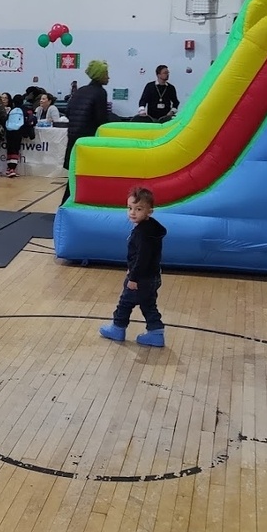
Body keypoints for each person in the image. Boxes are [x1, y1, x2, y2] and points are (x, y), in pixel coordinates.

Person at [99, 186, 168, 347]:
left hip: (141, 278)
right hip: (152, 276)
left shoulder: (143, 233)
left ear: (149, 211)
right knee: (148, 304)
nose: (132, 212)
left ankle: (118, 328)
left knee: (125, 303)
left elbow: (142, 257)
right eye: (130, 208)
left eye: (138, 209)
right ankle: (156, 333)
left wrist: (134, 277)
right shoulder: (151, 228)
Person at [61, 60, 111, 203]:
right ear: (99, 75)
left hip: (73, 140)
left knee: (74, 177)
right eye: (106, 74)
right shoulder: (100, 93)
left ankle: (65, 205)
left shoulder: (81, 91)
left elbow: (68, 112)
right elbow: (101, 120)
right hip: (89, 140)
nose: (108, 77)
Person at [4, 94, 28, 177]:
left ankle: (8, 168)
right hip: (18, 132)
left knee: (9, 149)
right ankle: (12, 169)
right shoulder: (24, 110)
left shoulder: (11, 110)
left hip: (9, 131)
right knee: (15, 150)